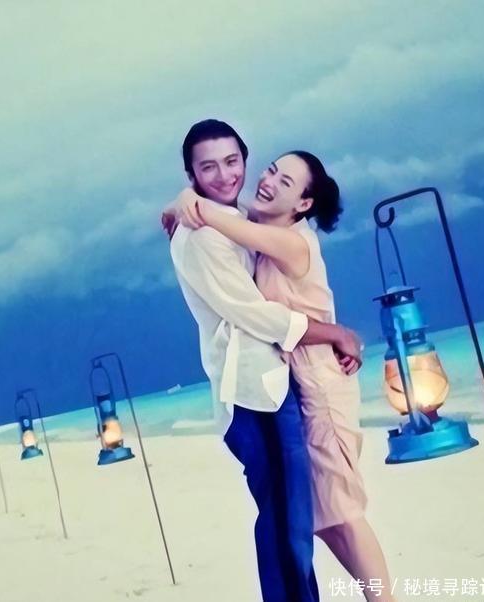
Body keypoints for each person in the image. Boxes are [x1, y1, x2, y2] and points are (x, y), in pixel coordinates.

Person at [171, 150, 397, 602]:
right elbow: (228, 217)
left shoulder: (292, 242)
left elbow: (220, 219)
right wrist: (183, 201)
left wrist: (187, 202)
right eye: (272, 170)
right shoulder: (259, 226)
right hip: (295, 384)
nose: (269, 181)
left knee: (343, 512)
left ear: (304, 204)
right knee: (323, 518)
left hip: (323, 386)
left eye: (286, 182)